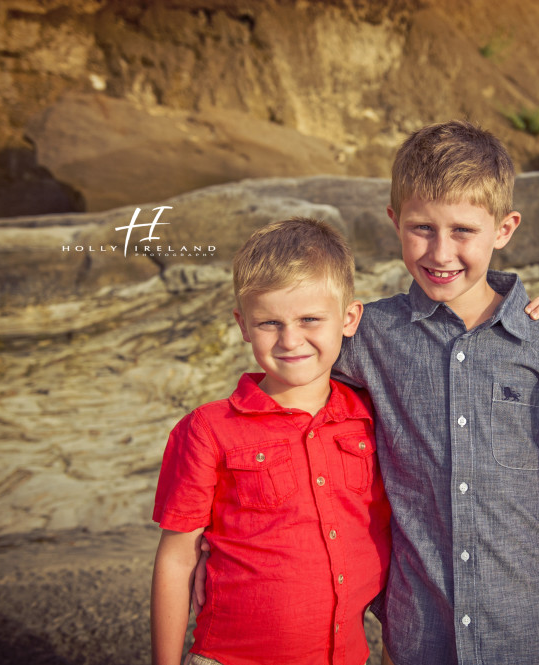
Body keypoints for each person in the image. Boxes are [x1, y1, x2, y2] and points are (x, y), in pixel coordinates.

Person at [334, 120, 539, 664]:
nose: (441, 252)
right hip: (419, 624)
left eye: (463, 231)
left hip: (524, 621)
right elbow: (293, 395)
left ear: (504, 228)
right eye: (421, 228)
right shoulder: (367, 337)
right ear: (393, 221)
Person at [150, 218, 392, 665]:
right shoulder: (207, 429)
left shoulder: (371, 417)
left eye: (309, 319)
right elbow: (177, 557)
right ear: (243, 325)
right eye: (269, 323)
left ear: (349, 318)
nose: (290, 340)